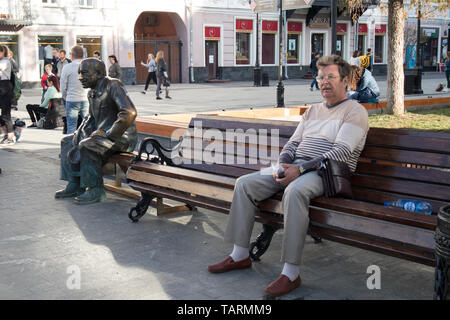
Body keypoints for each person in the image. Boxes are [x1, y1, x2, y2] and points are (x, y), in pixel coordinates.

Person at [207, 55, 369, 297]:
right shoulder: (313, 111)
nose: (324, 82)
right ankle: (240, 255)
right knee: (244, 184)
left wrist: (300, 169)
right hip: (296, 167)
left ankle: (290, 273)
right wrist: (283, 164)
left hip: (326, 173)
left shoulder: (355, 111)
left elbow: (341, 152)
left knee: (294, 191)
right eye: (321, 77)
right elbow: (293, 144)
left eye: (331, 77)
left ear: (345, 81)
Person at [55, 58, 137, 205]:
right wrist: (78, 133)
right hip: (102, 135)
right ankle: (74, 184)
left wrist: (110, 134)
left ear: (99, 73)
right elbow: (90, 118)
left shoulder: (113, 84)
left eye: (84, 73)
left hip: (121, 137)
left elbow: (129, 112)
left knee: (87, 145)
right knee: (67, 141)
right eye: (79, 73)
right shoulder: (91, 92)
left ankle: (96, 190)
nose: (80, 77)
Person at [60, 45, 89, 135]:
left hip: (72, 99)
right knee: (86, 126)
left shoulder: (67, 67)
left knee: (71, 126)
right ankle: (85, 145)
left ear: (72, 55)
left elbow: (63, 86)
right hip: (85, 99)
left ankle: (71, 146)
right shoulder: (87, 66)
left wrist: (65, 97)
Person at [0, 45, 15, 146]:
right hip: (2, 86)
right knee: (4, 115)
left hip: (4, 87)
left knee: (6, 114)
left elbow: (1, 68)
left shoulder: (6, 61)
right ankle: (6, 133)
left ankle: (11, 136)